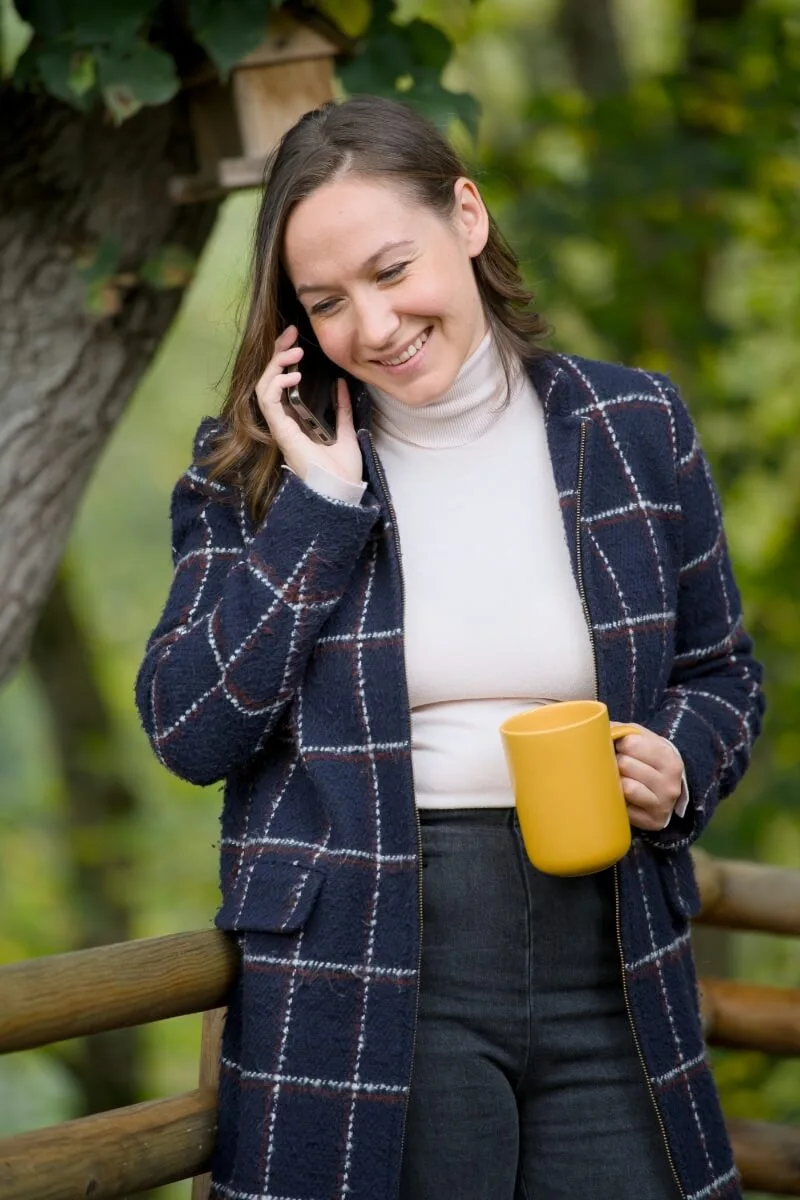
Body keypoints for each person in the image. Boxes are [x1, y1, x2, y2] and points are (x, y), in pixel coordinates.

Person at [136, 95, 764, 1200]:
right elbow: (190, 729)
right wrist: (318, 509)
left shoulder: (632, 427)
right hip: (372, 959)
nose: (372, 327)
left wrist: (679, 761)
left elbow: (719, 675)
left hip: (612, 948)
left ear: (464, 217)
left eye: (391, 271)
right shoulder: (257, 469)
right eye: (325, 302)